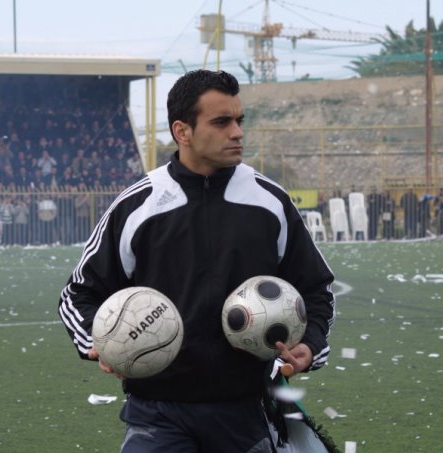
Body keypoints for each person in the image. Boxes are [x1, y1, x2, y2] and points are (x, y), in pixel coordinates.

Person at [58, 70, 336, 453]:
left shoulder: (269, 202)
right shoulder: (138, 206)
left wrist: (311, 342)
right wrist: (98, 340)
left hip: (246, 410)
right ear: (182, 131)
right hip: (156, 413)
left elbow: (317, 289)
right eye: (221, 122)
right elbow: (78, 294)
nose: (236, 132)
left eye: (239, 120)